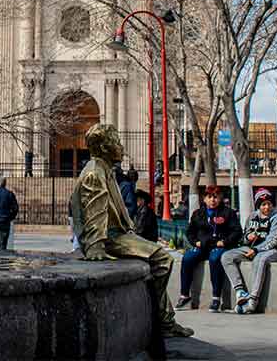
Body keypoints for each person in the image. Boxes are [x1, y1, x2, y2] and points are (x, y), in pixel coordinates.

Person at [69, 123, 194, 339]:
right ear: (105, 147)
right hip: (110, 238)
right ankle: (158, 319)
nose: (121, 145)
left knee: (154, 258)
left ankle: (165, 319)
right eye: (116, 141)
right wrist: (95, 247)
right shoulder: (94, 174)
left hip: (119, 233)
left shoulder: (104, 170)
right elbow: (94, 213)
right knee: (162, 259)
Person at [177, 185, 242, 312]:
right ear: (204, 199)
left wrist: (224, 242)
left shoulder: (228, 213)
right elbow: (190, 232)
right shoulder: (198, 213)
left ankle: (216, 298)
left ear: (220, 198)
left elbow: (237, 232)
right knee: (187, 258)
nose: (213, 200)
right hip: (202, 246)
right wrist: (195, 242)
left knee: (214, 259)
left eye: (215, 197)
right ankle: (184, 295)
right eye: (209, 197)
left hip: (219, 246)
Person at [221, 188, 277, 314]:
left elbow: (273, 241)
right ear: (258, 206)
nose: (266, 207)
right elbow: (244, 237)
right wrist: (247, 237)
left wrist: (256, 250)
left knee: (259, 260)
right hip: (251, 248)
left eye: (269, 204)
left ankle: (253, 300)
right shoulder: (252, 216)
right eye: (263, 205)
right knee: (227, 256)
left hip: (272, 251)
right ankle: (240, 291)